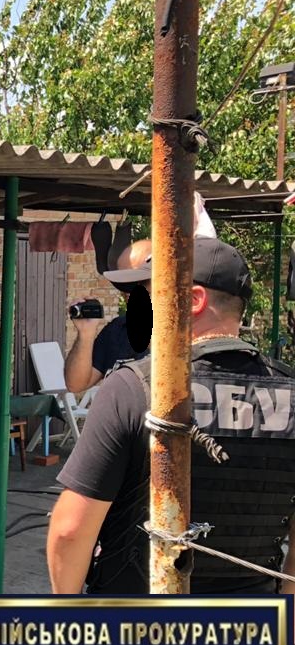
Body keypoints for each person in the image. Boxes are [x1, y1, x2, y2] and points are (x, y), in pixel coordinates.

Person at [47, 237, 295, 595]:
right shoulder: (290, 394)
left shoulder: (134, 388)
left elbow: (70, 531)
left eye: (152, 294)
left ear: (193, 300)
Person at [63, 238, 152, 394]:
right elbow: (75, 384)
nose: (129, 294)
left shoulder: (190, 334)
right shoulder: (118, 330)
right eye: (125, 287)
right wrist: (86, 334)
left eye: (140, 283)